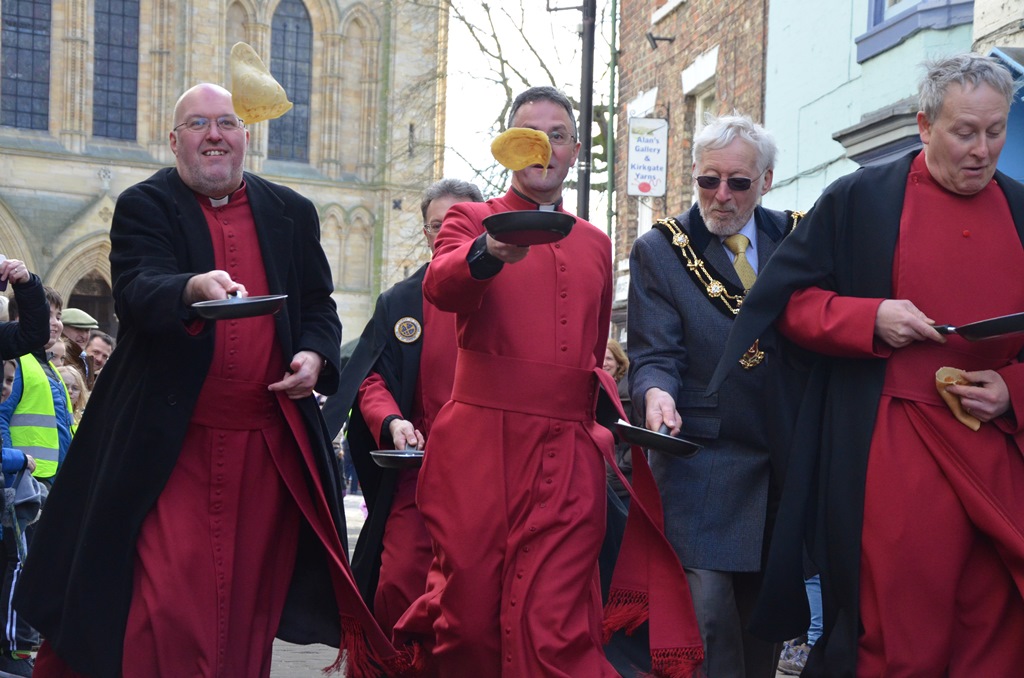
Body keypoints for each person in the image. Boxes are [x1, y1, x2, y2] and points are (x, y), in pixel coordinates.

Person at [14, 83, 406, 678]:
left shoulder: (291, 212)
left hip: (266, 449)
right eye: (198, 125)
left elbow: (318, 305)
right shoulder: (145, 205)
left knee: (248, 610)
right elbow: (139, 289)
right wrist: (190, 288)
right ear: (175, 142)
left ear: (246, 136)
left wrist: (313, 356)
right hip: (172, 445)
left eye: (226, 123)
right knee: (167, 604)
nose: (215, 135)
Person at [709, 53, 1024, 676]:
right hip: (891, 446)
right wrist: (867, 319)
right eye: (964, 132)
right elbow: (786, 304)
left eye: (996, 131)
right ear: (924, 125)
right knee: (898, 625)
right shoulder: (862, 199)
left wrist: (1014, 388)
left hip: (998, 451)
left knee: (997, 626)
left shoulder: (1020, 209)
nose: (981, 150)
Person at [392, 86, 703, 677]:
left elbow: (591, 356)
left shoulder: (595, 243)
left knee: (559, 623)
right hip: (479, 454)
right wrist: (488, 252)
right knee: (469, 617)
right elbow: (443, 287)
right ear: (511, 147)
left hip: (568, 459)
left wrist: (629, 413)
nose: (545, 147)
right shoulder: (472, 218)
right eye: (531, 135)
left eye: (558, 135)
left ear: (575, 150)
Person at [628, 112, 800, 678]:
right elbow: (655, 352)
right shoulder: (662, 250)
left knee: (764, 630)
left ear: (766, 181)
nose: (721, 195)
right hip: (701, 463)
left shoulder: (796, 238)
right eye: (708, 180)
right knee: (707, 630)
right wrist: (655, 394)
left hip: (780, 461)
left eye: (738, 182)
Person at [323, 178, 483, 636]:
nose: (446, 234)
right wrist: (391, 420)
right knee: (397, 584)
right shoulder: (401, 301)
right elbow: (370, 377)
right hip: (420, 472)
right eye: (436, 225)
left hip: (494, 471)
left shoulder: (509, 292)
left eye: (458, 222)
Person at [0, 286, 71, 677]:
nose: (56, 324)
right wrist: (11, 470)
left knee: (34, 566)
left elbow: (62, 428)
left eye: (58, 316)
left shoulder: (47, 367)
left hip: (49, 482)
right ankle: (14, 648)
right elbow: (1, 416)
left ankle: (27, 642)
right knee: (18, 567)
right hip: (24, 485)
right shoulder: (20, 362)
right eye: (49, 316)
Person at [602, 338, 633, 502]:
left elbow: (642, 433)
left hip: (622, 478)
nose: (604, 364)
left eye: (609, 358)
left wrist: (622, 464)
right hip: (596, 475)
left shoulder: (630, 393)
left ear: (619, 361)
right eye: (601, 358)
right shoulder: (592, 389)